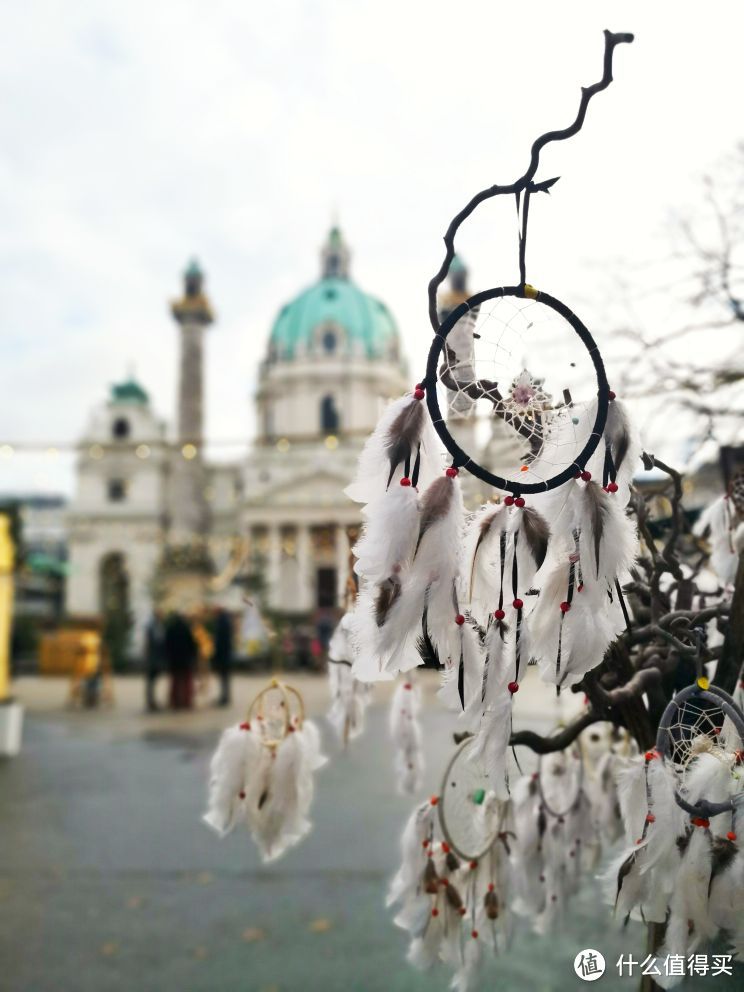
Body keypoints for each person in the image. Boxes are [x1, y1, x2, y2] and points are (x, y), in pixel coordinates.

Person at [163, 611, 197, 710]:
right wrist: (192, 657)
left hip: (174, 661)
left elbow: (166, 645)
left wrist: (168, 657)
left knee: (175, 682)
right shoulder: (187, 629)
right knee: (186, 682)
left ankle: (175, 701)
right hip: (186, 660)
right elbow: (192, 645)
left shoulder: (170, 629)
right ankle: (187, 701)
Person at [211, 606, 234, 707]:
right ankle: (225, 696)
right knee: (224, 678)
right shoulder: (225, 621)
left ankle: (224, 697)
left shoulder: (222, 622)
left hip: (223, 656)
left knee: (224, 677)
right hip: (225, 655)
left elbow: (220, 641)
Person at [144, 608, 165, 712]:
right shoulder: (153, 626)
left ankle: (152, 701)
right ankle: (151, 701)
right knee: (151, 680)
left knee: (153, 681)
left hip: (156, 656)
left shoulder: (157, 625)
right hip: (153, 657)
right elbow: (154, 641)